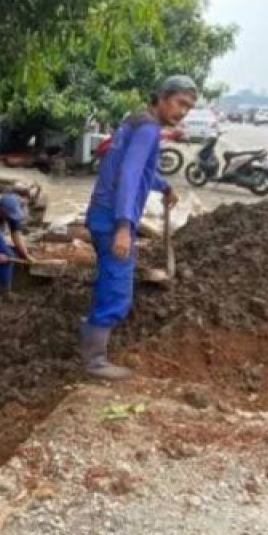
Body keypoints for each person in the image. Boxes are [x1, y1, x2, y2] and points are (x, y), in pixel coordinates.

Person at [82, 75, 197, 379]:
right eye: (179, 103)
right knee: (117, 289)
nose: (183, 111)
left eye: (189, 107)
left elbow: (133, 167)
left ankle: (92, 343)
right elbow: (130, 175)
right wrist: (124, 226)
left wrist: (163, 185)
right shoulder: (148, 129)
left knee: (110, 279)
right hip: (112, 219)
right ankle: (94, 362)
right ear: (161, 97)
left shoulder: (135, 122)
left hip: (100, 213)